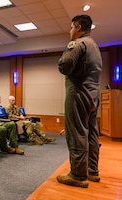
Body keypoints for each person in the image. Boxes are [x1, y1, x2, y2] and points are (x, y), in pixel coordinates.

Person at [56, 15, 102, 188]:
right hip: (93, 95)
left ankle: (77, 175)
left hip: (78, 93)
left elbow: (65, 65)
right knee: (91, 133)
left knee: (76, 132)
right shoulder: (95, 46)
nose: (70, 31)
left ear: (79, 27)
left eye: (71, 27)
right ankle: (92, 171)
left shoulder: (78, 44)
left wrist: (61, 60)